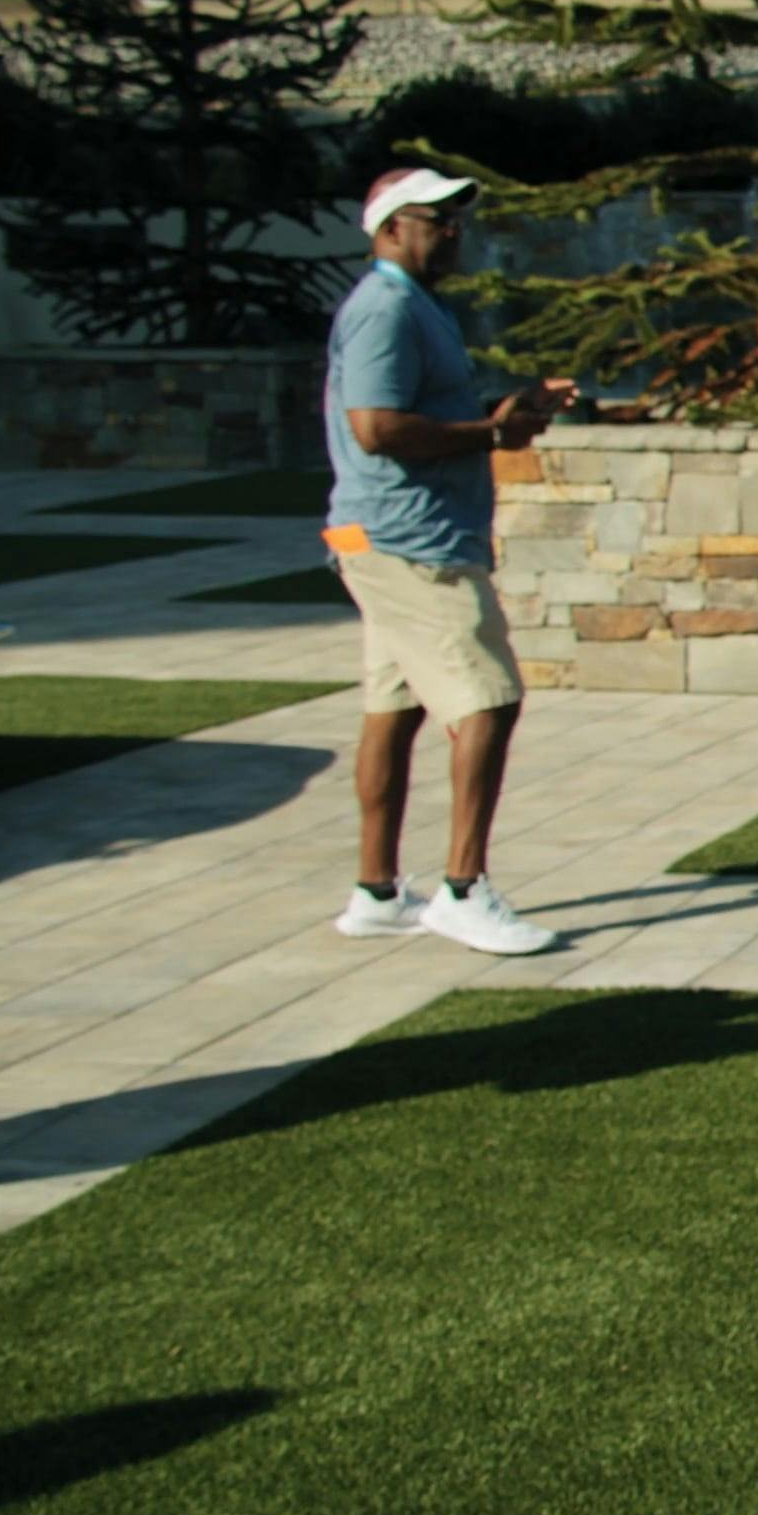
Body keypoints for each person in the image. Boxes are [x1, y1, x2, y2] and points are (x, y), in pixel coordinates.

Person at [323, 167, 576, 956]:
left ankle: (376, 893)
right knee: (490, 699)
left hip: (384, 538)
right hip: (411, 543)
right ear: (391, 228)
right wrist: (491, 435)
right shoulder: (386, 309)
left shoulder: (417, 305)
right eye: (438, 219)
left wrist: (504, 409)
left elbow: (419, 413)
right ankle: (463, 892)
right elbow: (377, 427)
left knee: (393, 710)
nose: (455, 231)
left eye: (458, 220)